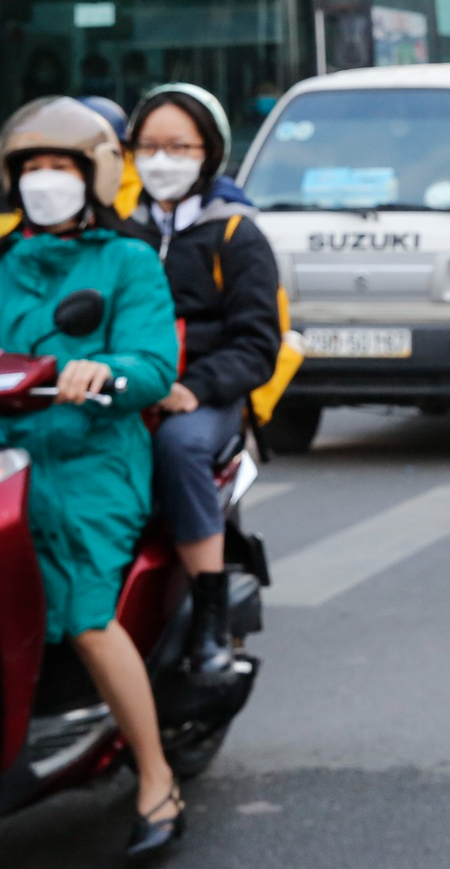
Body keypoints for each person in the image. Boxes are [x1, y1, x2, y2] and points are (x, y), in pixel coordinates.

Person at [0, 97, 188, 853]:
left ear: (95, 176)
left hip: (90, 456)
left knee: (83, 615)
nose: (45, 181)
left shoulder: (127, 261)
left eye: (60, 168)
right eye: (32, 169)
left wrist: (99, 369)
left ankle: (155, 778)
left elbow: (152, 364)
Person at [121, 84, 282, 680]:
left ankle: (211, 617)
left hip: (203, 395)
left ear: (208, 153)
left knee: (178, 444)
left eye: (178, 146)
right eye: (150, 145)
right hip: (126, 385)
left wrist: (195, 388)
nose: (162, 159)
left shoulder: (236, 234)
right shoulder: (117, 231)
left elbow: (258, 343)